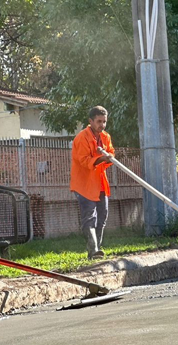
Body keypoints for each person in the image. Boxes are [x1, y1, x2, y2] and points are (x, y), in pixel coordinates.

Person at [70, 105, 115, 260]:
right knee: (89, 217)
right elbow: (83, 161)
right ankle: (93, 250)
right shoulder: (81, 138)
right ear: (91, 121)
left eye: (104, 122)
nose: (102, 125)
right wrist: (101, 158)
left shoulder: (106, 137)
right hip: (84, 184)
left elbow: (111, 153)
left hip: (100, 183)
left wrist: (107, 158)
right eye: (99, 121)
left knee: (102, 216)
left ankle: (97, 249)